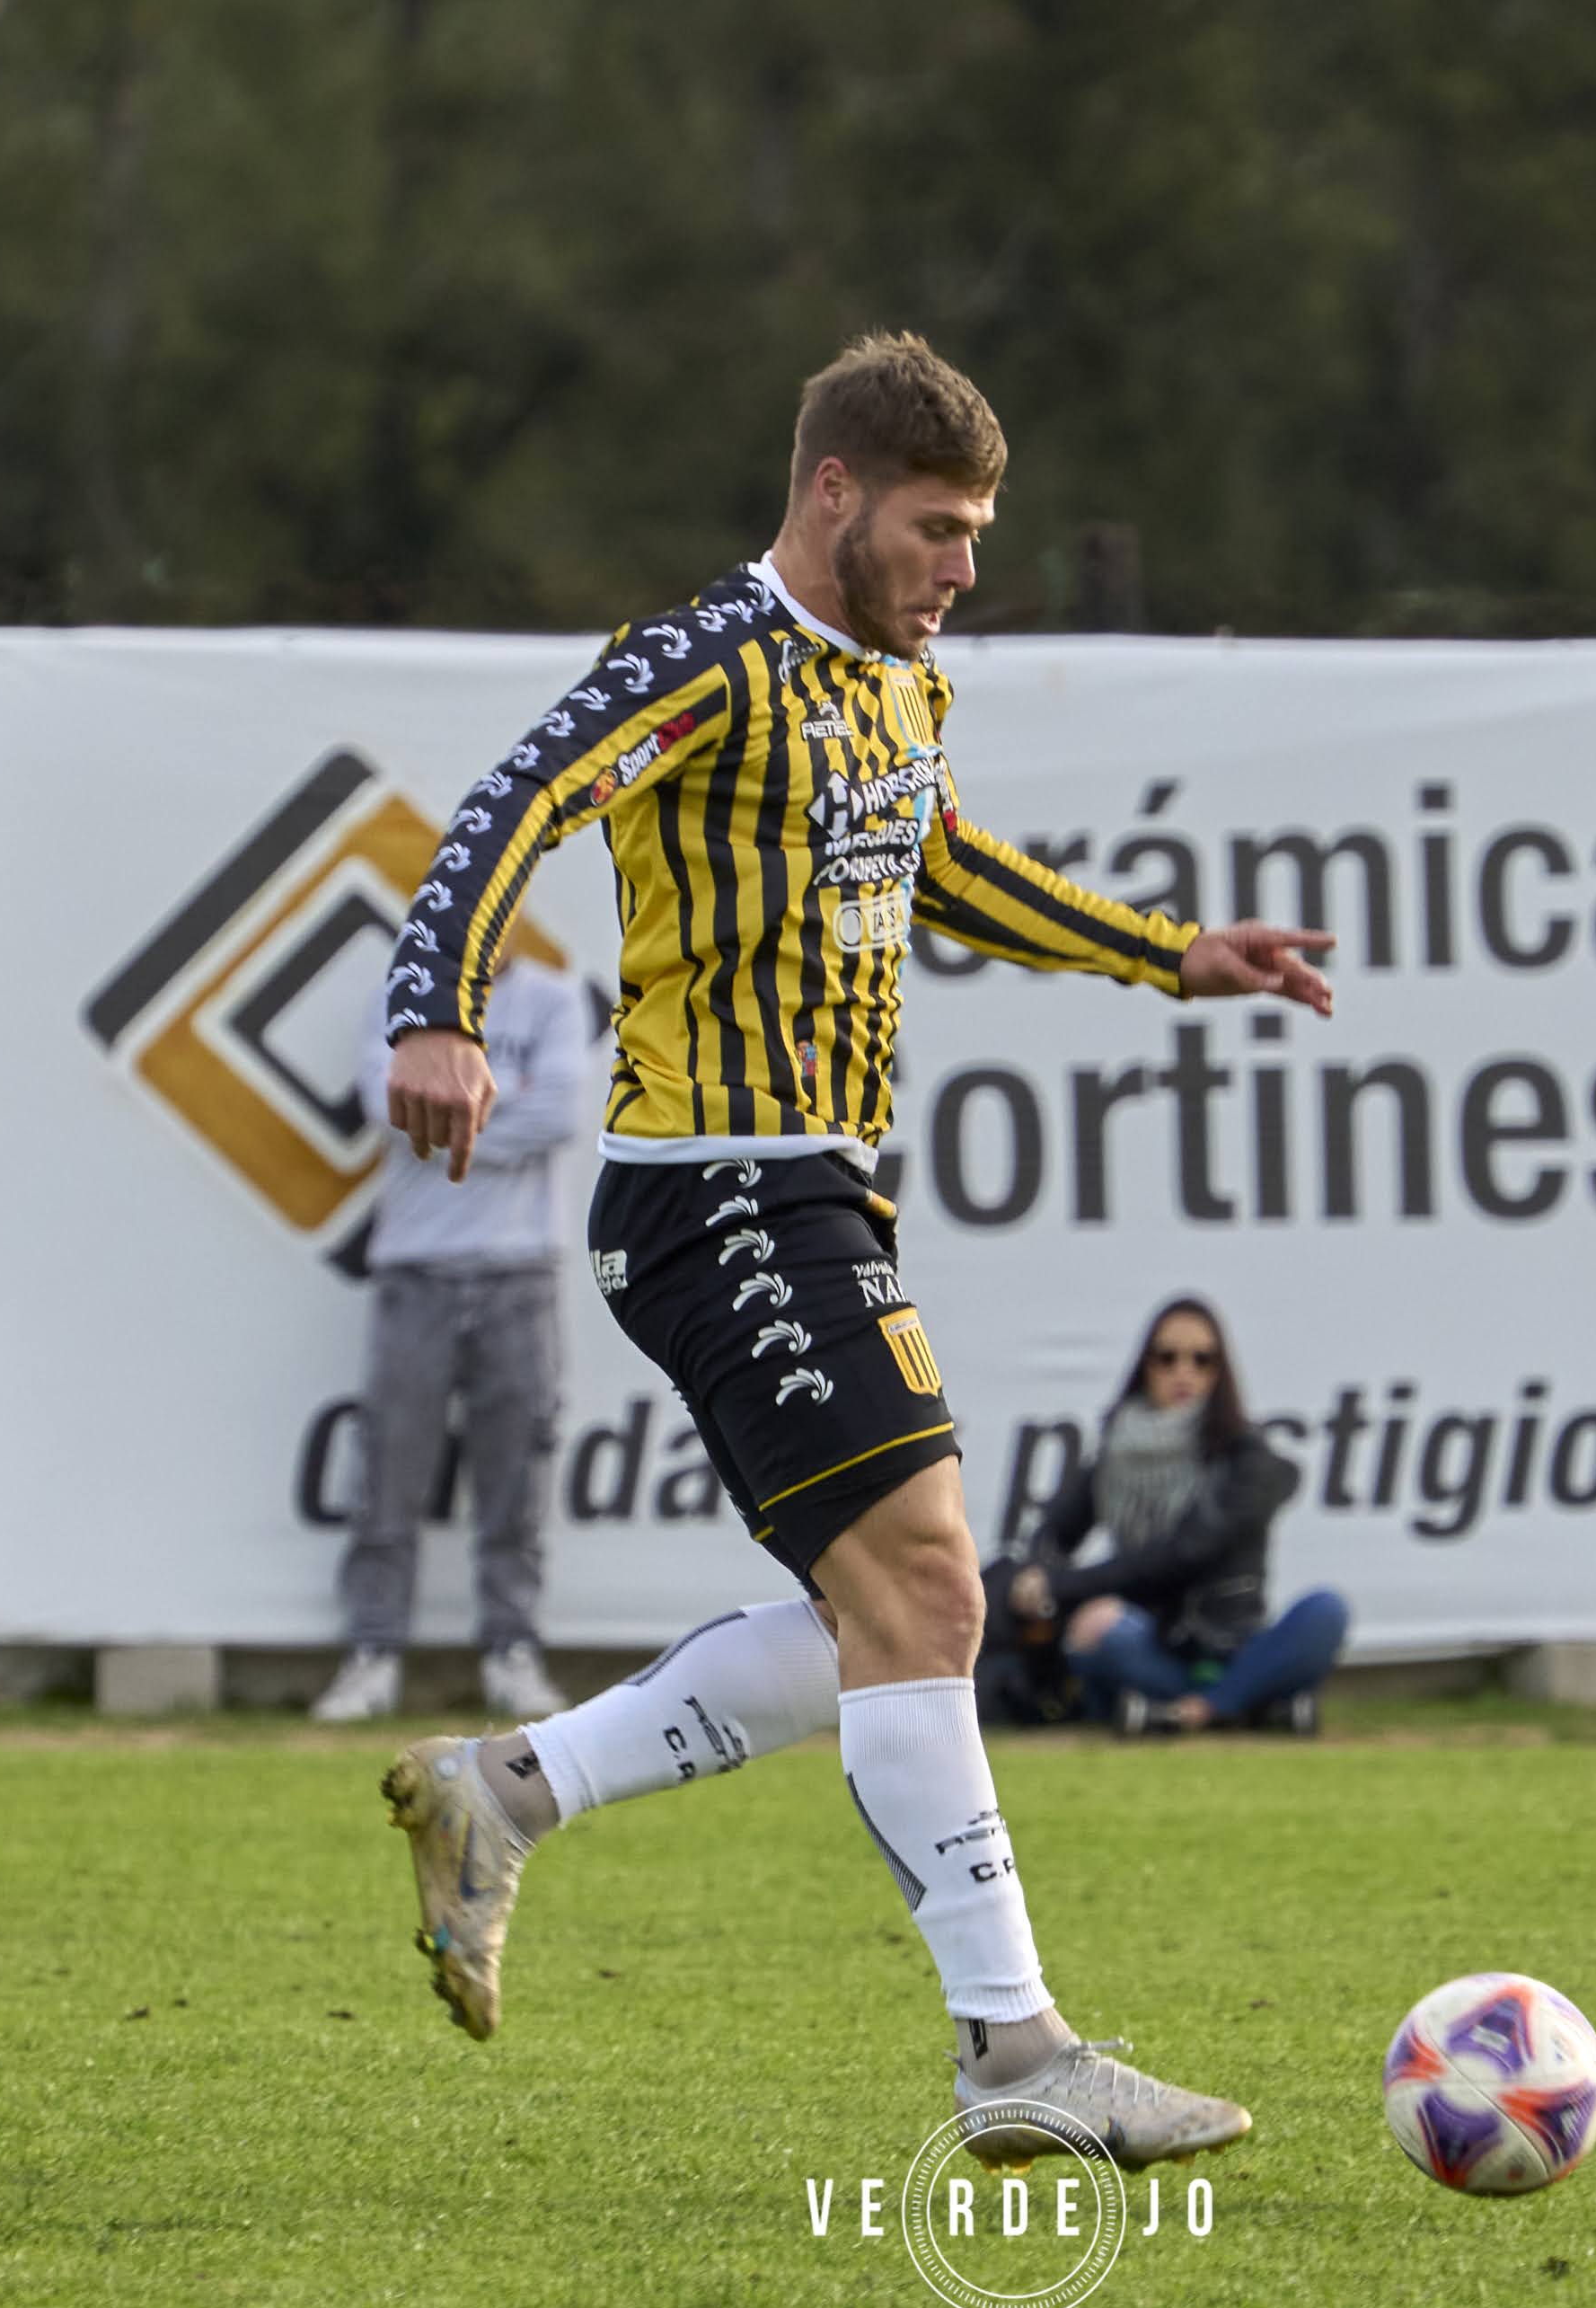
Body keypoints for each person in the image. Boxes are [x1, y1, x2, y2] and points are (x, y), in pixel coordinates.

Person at [372, 330, 1335, 2172]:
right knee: (937, 1602)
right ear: (831, 495)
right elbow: (513, 805)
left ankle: (509, 1793)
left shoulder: (894, 685)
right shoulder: (702, 661)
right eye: (938, 528)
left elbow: (935, 863)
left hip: (815, 1187)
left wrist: (1170, 950)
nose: (964, 569)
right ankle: (1014, 2053)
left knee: (877, 1626)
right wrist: (438, 1006)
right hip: (718, 1187)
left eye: (975, 534)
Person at [310, 916, 589, 1728]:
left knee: (517, 1470)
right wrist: (501, 1112)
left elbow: (563, 1116)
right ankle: (372, 1650)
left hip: (520, 1268)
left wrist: (450, 1117)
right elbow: (387, 1109)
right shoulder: (401, 1001)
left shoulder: (553, 999)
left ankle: (512, 1649)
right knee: (390, 1465)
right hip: (415, 1267)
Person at [998, 1297, 1348, 1738]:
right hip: (1154, 1642)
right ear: (1145, 1365)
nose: (1183, 1371)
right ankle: (1252, 1708)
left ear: (1220, 1371)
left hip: (1227, 1643)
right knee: (1102, 1633)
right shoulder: (1117, 1452)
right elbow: (1055, 1531)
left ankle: (1192, 1712)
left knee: (1325, 1612)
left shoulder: (1248, 1460)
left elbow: (1183, 1554)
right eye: (1167, 1358)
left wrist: (1064, 1586)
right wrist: (1037, 1577)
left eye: (1202, 1359)